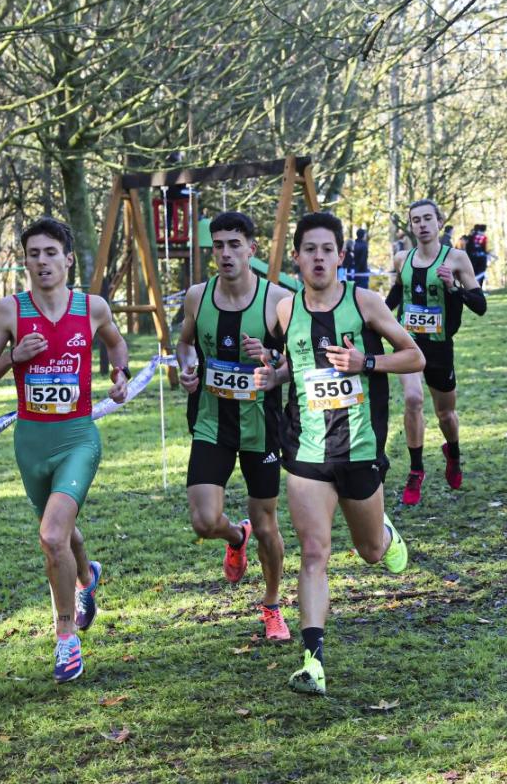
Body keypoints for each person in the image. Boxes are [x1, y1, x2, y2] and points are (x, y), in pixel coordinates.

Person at [255, 211, 424, 696]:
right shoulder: (286, 311)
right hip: (307, 450)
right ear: (297, 258)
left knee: (369, 552)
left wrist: (365, 361)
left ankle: (385, 533)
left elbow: (414, 356)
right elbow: (295, 364)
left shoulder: (365, 302)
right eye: (309, 249)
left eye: (327, 249)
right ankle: (313, 660)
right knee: (314, 552)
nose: (318, 258)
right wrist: (275, 375)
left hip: (360, 448)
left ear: (340, 256)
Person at [0, 216, 129, 683]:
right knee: (59, 533)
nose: (41, 262)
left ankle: (66, 639)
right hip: (32, 442)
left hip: (78, 438)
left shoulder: (93, 307)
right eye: (33, 254)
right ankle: (86, 579)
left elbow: (117, 345)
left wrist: (119, 376)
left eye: (49, 253)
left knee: (51, 536)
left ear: (67, 260)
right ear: (26, 262)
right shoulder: (9, 311)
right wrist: (13, 358)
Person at [175, 211, 292, 642]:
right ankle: (234, 536)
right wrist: (186, 371)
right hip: (211, 423)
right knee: (204, 521)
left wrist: (272, 359)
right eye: (218, 245)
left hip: (262, 427)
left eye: (234, 245)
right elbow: (185, 345)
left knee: (267, 526)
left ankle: (273, 606)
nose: (225, 253)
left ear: (251, 250)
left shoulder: (276, 301)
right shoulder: (196, 297)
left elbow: (296, 364)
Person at [387, 200, 487, 506]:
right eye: (416, 220)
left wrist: (453, 286)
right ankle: (416, 471)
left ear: (439, 222)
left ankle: (453, 454)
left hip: (440, 347)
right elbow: (393, 297)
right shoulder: (402, 259)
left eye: (427, 218)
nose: (422, 224)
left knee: (445, 414)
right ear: (411, 226)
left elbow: (480, 306)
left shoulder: (456, 258)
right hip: (408, 344)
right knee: (413, 400)